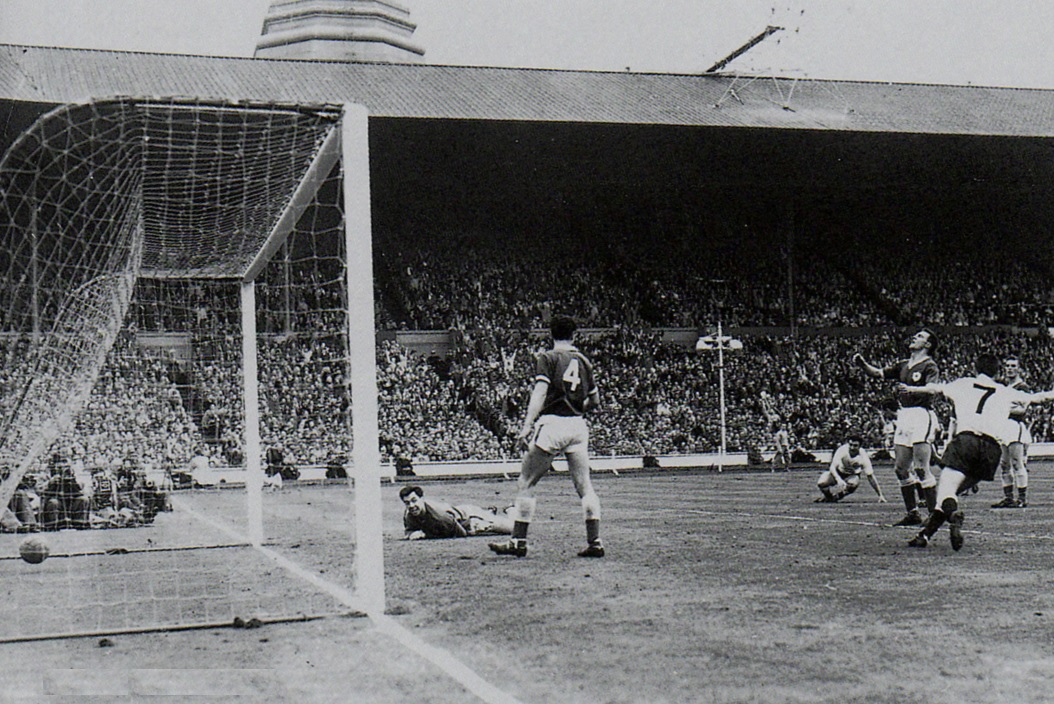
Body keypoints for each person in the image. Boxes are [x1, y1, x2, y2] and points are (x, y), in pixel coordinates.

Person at [901, 353, 1054, 550]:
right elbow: (1038, 398)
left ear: (975, 368)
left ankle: (954, 515)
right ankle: (924, 536)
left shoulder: (963, 384)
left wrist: (912, 388)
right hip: (991, 450)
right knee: (949, 495)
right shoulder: (1005, 391)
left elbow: (935, 388)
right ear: (997, 372)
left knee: (946, 491)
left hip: (966, 441)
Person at [489, 315, 604, 558]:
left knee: (526, 482)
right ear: (574, 335)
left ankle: (518, 542)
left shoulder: (548, 357)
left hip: (552, 423)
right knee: (585, 486)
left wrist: (527, 426)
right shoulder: (584, 361)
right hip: (577, 425)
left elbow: (540, 392)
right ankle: (595, 541)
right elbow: (594, 400)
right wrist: (575, 409)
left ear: (550, 334)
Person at [853, 328, 941, 526]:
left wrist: (912, 389)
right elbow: (878, 373)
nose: (914, 337)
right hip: (905, 415)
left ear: (927, 345)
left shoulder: (929, 365)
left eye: (920, 336)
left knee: (921, 468)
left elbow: (934, 388)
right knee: (900, 468)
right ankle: (913, 513)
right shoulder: (903, 365)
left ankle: (935, 514)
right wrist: (862, 364)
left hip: (921, 414)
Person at [400, 485, 514, 540]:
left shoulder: (439, 516)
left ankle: (511, 510)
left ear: (422, 499)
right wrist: (411, 534)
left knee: (513, 528)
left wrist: (425, 535)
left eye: (414, 501)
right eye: (407, 503)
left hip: (469, 516)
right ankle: (490, 513)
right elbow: (409, 531)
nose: (411, 506)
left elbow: (461, 533)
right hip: (456, 515)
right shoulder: (408, 514)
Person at [992, 356, 1031, 509]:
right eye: (1007, 365)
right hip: (1003, 426)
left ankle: (1022, 498)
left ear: (1019, 369)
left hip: (1015, 425)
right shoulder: (1003, 388)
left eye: (1013, 366)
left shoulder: (1022, 387)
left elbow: (1023, 409)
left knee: (1016, 462)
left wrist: (1004, 409)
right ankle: (1008, 497)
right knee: (1004, 464)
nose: (1009, 368)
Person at [815, 435, 887, 503]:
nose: (852, 447)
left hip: (852, 475)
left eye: (855, 445)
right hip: (839, 472)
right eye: (850, 445)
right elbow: (832, 467)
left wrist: (880, 495)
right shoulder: (842, 450)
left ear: (860, 446)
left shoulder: (863, 456)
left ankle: (837, 497)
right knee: (821, 483)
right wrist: (838, 479)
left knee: (853, 483)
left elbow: (870, 476)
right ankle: (829, 497)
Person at [41, 454, 90, 531]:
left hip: (72, 502)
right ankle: (55, 525)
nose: (63, 466)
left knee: (84, 499)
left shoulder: (75, 473)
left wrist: (74, 479)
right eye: (60, 464)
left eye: (65, 463)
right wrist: (51, 482)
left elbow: (83, 487)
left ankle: (80, 524)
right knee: (53, 503)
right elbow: (40, 489)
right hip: (57, 501)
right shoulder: (48, 473)